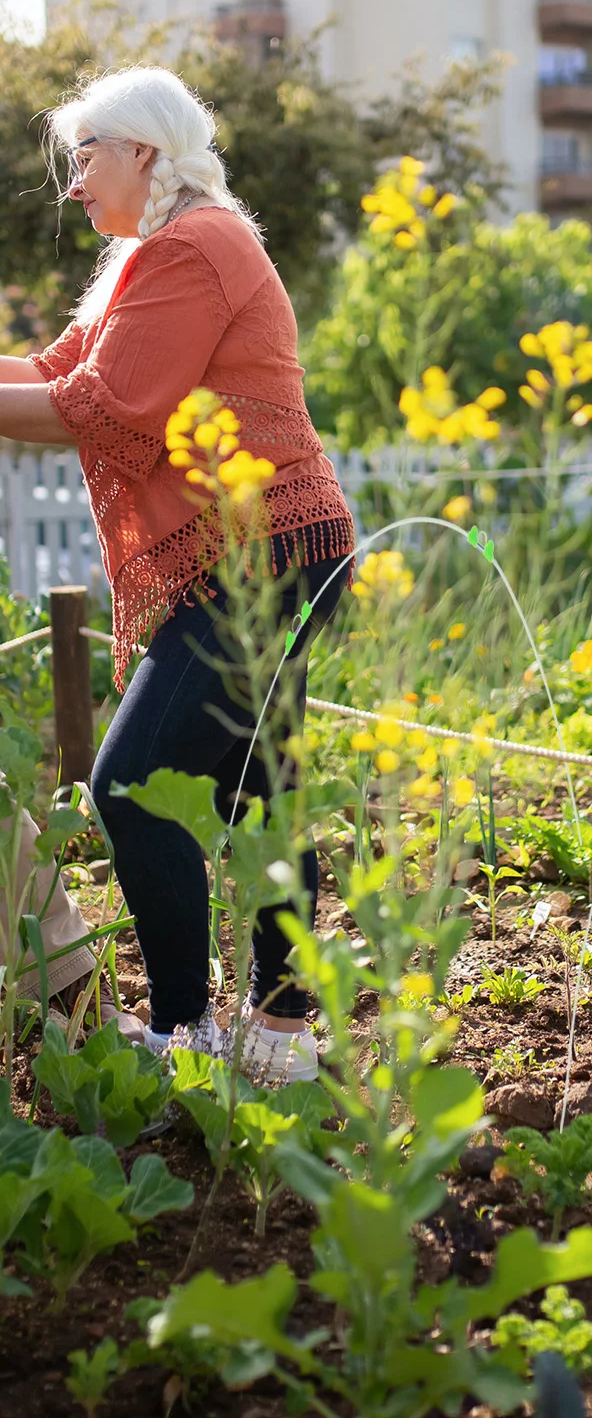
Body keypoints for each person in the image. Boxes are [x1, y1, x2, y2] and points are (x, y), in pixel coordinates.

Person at [0, 66, 355, 1082]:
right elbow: (57, 369)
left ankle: (182, 1034)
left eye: (85, 158)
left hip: (263, 560)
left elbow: (104, 406)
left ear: (144, 152)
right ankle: (279, 1038)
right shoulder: (152, 254)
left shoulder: (195, 246)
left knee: (131, 785)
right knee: (259, 791)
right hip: (270, 553)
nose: (74, 184)